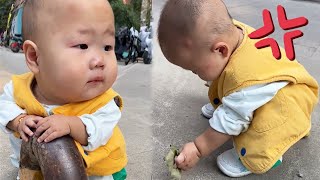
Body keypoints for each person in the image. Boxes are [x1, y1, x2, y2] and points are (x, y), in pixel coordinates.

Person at [158, 0, 318, 177]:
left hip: (288, 106)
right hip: (269, 84)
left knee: (260, 126)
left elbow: (231, 120)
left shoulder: (247, 80)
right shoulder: (232, 33)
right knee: (233, 90)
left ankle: (263, 155)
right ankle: (232, 103)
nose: (195, 74)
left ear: (220, 50)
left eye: (195, 69)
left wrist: (198, 148)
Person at [0, 0, 127, 179]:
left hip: (95, 173)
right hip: (33, 165)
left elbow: (98, 132)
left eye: (107, 47)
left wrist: (70, 125)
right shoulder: (18, 89)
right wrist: (18, 120)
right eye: (82, 46)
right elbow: (3, 106)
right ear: (35, 57)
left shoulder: (105, 103)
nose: (100, 60)